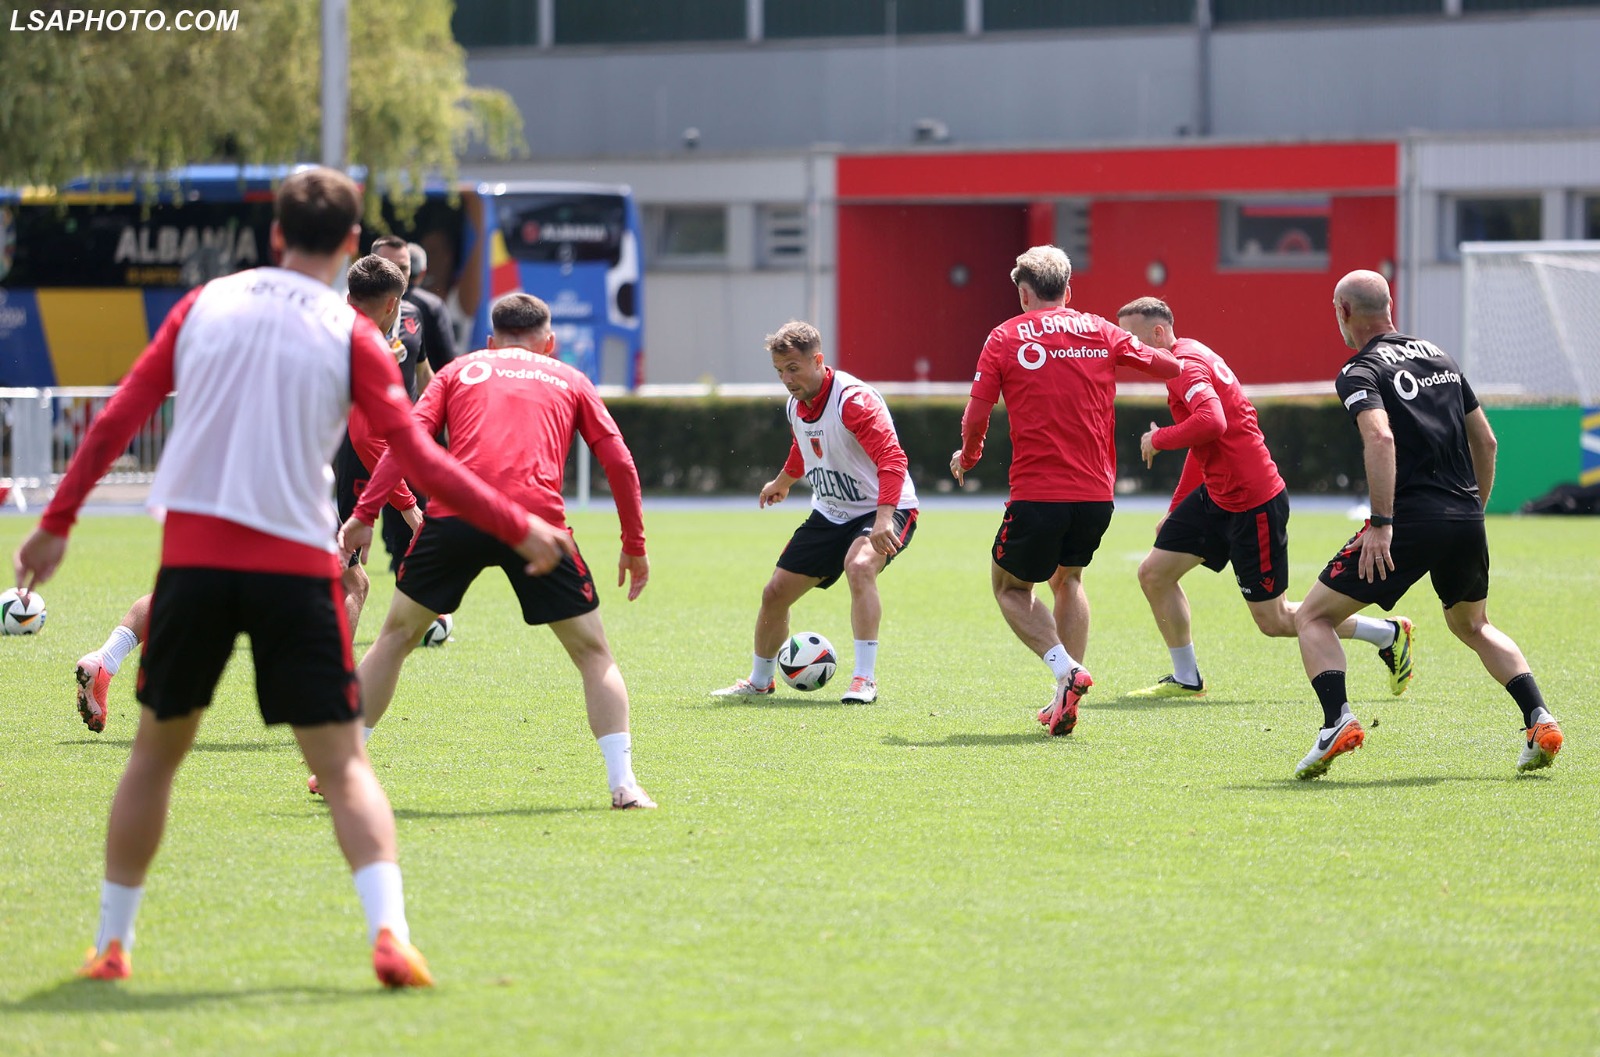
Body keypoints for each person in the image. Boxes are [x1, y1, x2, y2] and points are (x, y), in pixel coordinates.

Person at [14, 167, 574, 987]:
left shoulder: (203, 304)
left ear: (276, 233)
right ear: (350, 242)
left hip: (198, 557)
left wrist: (56, 523)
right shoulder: (356, 336)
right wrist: (514, 521)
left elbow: (121, 415)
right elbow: (416, 455)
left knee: (154, 760)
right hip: (295, 564)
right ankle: (390, 935)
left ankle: (112, 943)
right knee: (344, 766)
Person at [71, 256, 425, 734]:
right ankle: (326, 702)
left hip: (222, 473)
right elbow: (367, 438)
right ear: (393, 305)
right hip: (291, 486)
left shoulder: (298, 322)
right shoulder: (358, 342)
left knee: (194, 587)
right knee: (351, 585)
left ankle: (106, 658)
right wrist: (407, 505)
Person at [338, 292, 655, 810]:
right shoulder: (570, 378)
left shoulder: (458, 371)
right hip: (539, 528)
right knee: (593, 654)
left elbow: (406, 442)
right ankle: (624, 785)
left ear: (490, 341)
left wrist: (365, 513)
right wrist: (633, 544)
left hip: (456, 517)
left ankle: (341, 771)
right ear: (549, 344)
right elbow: (618, 460)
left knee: (394, 638)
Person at [1290, 269, 1563, 779]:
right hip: (1465, 516)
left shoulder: (1360, 369)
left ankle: (1336, 721)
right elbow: (1487, 443)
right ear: (1389, 306)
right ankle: (1539, 719)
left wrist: (1381, 522)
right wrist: (1471, 512)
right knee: (1473, 625)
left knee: (1312, 617)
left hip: (1409, 521)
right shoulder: (1440, 357)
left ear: (1344, 312)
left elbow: (1381, 438)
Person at [1116, 296, 1415, 699]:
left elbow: (1211, 422)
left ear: (1157, 333)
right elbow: (1203, 442)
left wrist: (1159, 438)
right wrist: (1175, 510)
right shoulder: (1183, 358)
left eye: (1133, 340)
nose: (1128, 350)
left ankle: (1387, 634)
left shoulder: (1186, 365)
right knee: (1154, 574)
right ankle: (1187, 678)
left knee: (1274, 620)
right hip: (1217, 495)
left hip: (1252, 502)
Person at [950, 245, 1179, 736]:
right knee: (1068, 580)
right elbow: (1167, 366)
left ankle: (1065, 669)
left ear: (1024, 293)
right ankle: (1064, 696)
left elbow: (976, 415)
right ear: (1068, 291)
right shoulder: (1100, 330)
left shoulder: (1004, 336)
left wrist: (967, 457)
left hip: (1038, 493)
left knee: (1010, 588)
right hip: (1097, 495)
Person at [710, 321, 919, 705]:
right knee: (775, 593)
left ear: (818, 361)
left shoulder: (852, 401)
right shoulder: (796, 404)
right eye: (779, 371)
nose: (786, 379)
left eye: (793, 368)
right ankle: (760, 681)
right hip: (831, 512)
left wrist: (883, 519)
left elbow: (893, 459)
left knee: (860, 567)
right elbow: (805, 448)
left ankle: (864, 681)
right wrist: (782, 482)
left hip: (883, 506)